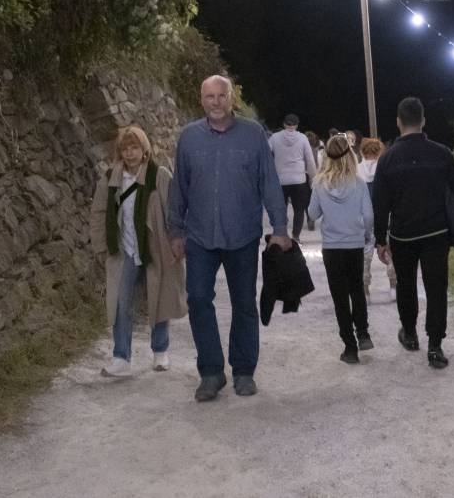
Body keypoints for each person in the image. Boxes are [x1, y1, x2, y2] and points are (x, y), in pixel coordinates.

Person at [167, 75, 292, 402]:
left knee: (244, 303)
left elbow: (269, 183)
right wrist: (175, 231)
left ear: (230, 98)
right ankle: (211, 372)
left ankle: (243, 370)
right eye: (210, 96)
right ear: (201, 100)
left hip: (242, 236)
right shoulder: (189, 138)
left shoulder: (253, 135)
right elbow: (179, 187)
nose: (216, 102)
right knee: (198, 299)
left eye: (221, 96)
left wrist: (280, 229)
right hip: (199, 236)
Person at [372, 97, 454, 370]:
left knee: (406, 286)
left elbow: (380, 204)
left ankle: (410, 334)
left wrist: (380, 239)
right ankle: (435, 346)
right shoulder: (441, 153)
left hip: (402, 235)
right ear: (423, 121)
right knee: (436, 288)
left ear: (398, 122)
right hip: (437, 232)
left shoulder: (388, 158)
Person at [89, 124, 187, 378]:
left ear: (144, 149)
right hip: (124, 250)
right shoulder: (111, 178)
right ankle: (121, 356)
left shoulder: (159, 175)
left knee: (159, 297)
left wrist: (178, 240)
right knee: (121, 303)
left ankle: (160, 351)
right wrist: (101, 246)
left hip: (156, 247)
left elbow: (175, 210)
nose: (130, 153)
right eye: (125, 148)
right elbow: (99, 212)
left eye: (134, 147)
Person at [308, 134, 374, 364]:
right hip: (354, 244)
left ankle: (350, 348)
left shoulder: (319, 183)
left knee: (340, 297)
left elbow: (312, 213)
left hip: (332, 246)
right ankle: (363, 333)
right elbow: (368, 215)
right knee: (357, 290)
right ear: (351, 155)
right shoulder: (359, 183)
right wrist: (366, 234)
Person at [356, 137, 396, 302]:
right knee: (390, 253)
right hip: (385, 217)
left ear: (362, 151)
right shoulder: (386, 168)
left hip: (363, 219)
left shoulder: (356, 170)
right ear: (380, 151)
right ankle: (393, 287)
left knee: (365, 257)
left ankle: (365, 291)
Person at [268, 113, 317, 241]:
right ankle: (296, 237)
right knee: (299, 210)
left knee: (280, 210)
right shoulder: (303, 138)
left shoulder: (274, 138)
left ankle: (282, 234)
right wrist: (313, 177)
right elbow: (310, 160)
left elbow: (266, 155)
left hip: (280, 180)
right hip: (299, 180)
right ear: (296, 125)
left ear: (284, 124)